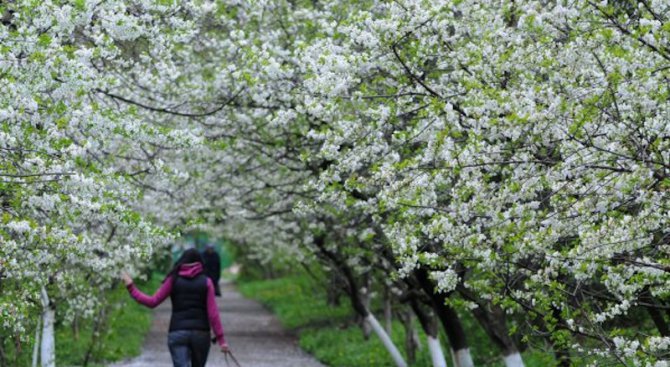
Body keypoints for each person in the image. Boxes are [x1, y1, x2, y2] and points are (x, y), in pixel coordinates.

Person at [121, 248, 229, 367]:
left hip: (177, 332)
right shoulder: (206, 282)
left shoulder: (173, 279)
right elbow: (213, 314)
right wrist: (221, 340)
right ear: (200, 263)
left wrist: (131, 287)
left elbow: (152, 302)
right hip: (201, 334)